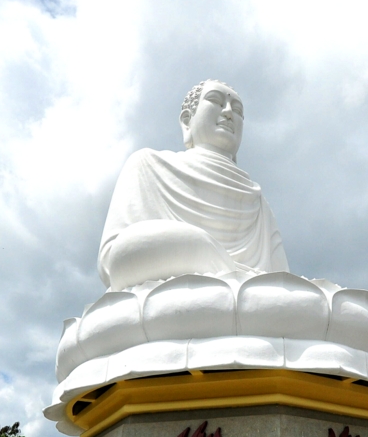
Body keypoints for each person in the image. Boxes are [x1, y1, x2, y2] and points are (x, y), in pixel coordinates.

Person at [98, 80, 289, 291]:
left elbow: (283, 282)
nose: (227, 112)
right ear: (187, 121)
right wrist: (197, 246)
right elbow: (111, 260)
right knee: (128, 247)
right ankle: (232, 281)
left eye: (237, 110)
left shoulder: (258, 201)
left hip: (253, 296)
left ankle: (233, 283)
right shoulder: (147, 163)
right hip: (174, 292)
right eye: (216, 101)